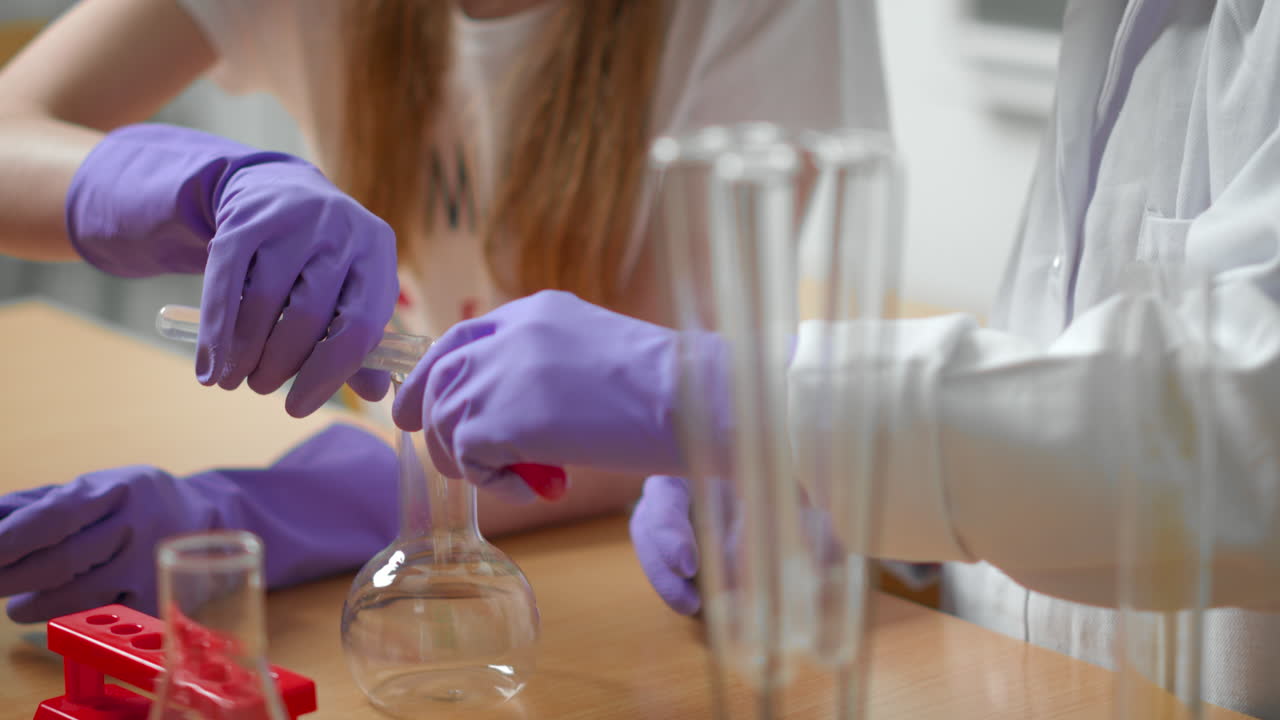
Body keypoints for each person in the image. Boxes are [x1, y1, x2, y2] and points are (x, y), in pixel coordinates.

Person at [389, 1, 1280, 716]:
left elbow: (1243, 437)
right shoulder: (1111, 23)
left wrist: (744, 401)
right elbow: (1080, 406)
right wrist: (844, 517)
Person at [0, 0, 888, 620]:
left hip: (607, 572)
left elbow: (649, 411)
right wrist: (186, 188)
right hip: (414, 544)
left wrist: (264, 512)